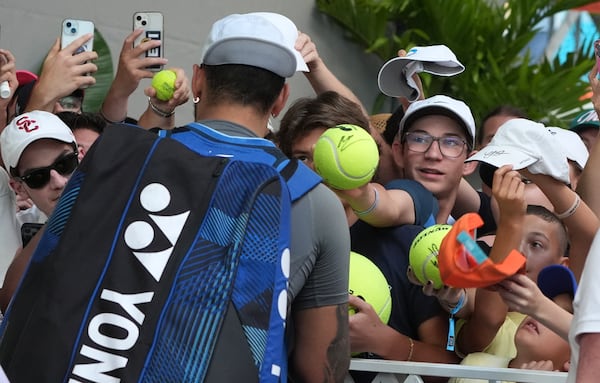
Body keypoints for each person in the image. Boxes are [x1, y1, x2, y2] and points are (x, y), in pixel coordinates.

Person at [189, 12, 350, 381]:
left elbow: (28, 282)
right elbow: (320, 370)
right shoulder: (314, 199)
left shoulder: (124, 158)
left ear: (198, 79)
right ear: (281, 99)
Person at [0, 110, 79, 309]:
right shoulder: (15, 239)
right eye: (38, 177)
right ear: (19, 188)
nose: (58, 182)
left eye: (65, 164)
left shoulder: (124, 204)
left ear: (82, 157)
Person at [449, 264, 575, 383]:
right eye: (546, 302)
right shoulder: (476, 365)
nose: (540, 315)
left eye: (556, 315)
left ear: (572, 360)